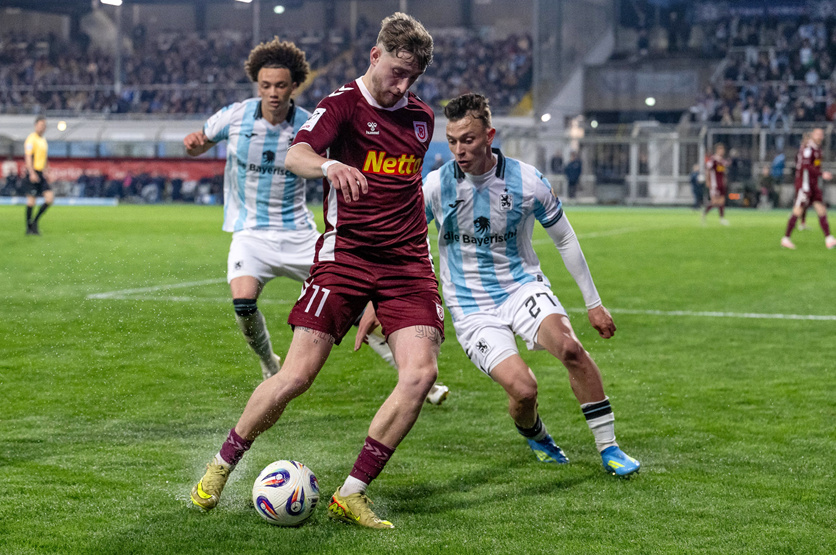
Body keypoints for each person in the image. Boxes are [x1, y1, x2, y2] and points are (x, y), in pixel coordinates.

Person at [190, 13, 444, 529]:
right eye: (396, 71)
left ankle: (352, 492)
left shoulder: (421, 118)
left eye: (411, 77)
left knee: (420, 375)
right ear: (375, 56)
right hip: (344, 259)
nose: (402, 85)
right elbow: (297, 153)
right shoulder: (342, 106)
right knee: (297, 376)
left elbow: (403, 195)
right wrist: (329, 165)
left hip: (408, 266)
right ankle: (221, 465)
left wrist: (386, 293)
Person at [415, 93, 640, 476]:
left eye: (467, 140)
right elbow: (409, 240)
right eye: (452, 141)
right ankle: (536, 435)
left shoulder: (526, 180)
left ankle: (610, 447)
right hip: (471, 307)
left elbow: (565, 239)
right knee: (523, 390)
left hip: (521, 286)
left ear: (490, 135)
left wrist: (594, 302)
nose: (459, 150)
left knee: (570, 348)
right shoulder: (436, 186)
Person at [781, 128, 836, 249]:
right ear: (812, 135)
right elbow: (806, 166)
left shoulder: (816, 149)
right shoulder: (808, 149)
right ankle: (786, 238)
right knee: (798, 210)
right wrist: (822, 174)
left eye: (821, 134)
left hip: (813, 185)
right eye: (818, 134)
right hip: (805, 185)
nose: (820, 136)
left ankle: (829, 238)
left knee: (821, 209)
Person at [24, 115, 52, 235]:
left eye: (44, 126)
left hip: (41, 173)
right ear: (36, 125)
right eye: (41, 125)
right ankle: (29, 228)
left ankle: (34, 222)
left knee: (49, 199)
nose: (43, 128)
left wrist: (47, 171)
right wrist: (31, 172)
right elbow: (28, 157)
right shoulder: (31, 139)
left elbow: (44, 158)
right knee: (31, 202)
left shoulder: (43, 140)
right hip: (33, 172)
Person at [702, 142, 730, 225]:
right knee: (714, 201)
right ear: (717, 150)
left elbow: (723, 173)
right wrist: (708, 181)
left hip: (721, 183)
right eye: (720, 149)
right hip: (715, 184)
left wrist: (725, 181)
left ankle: (721, 219)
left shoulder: (723, 161)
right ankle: (704, 214)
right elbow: (708, 170)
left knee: (722, 201)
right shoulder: (713, 160)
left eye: (723, 149)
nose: (722, 151)